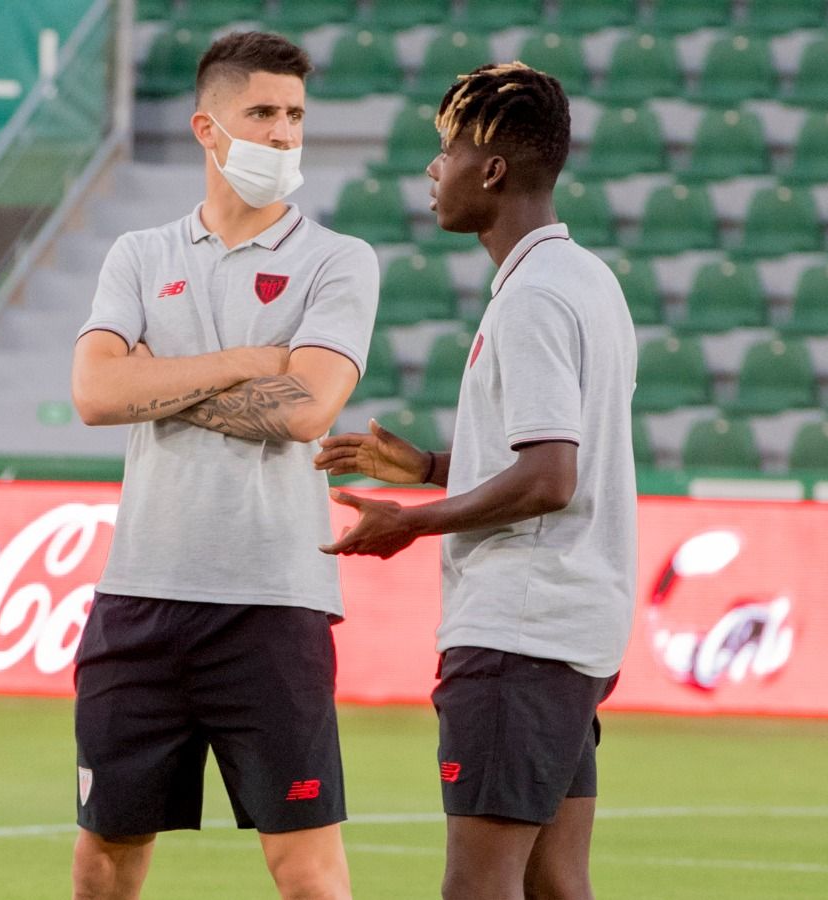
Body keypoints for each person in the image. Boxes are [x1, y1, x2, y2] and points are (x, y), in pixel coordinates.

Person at [316, 62, 637, 900]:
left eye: (448, 150)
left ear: (492, 168)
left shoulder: (531, 299)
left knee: (479, 889)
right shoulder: (590, 282)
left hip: (517, 638)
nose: (433, 170)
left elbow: (550, 477)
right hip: (573, 632)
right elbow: (557, 454)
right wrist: (425, 468)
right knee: (558, 885)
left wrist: (410, 521)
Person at [69, 31, 378, 900]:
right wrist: (249, 360)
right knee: (105, 855)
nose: (284, 135)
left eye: (295, 117)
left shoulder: (338, 260)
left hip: (274, 601)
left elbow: (307, 410)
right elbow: (94, 393)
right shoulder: (140, 254)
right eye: (263, 114)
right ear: (209, 128)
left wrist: (152, 381)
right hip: (140, 595)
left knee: (305, 865)